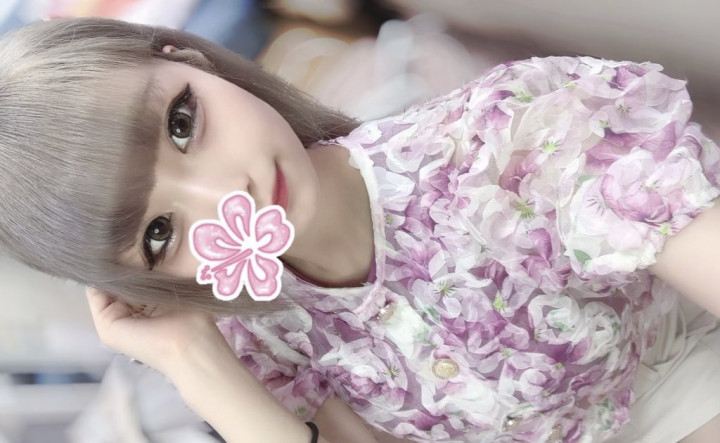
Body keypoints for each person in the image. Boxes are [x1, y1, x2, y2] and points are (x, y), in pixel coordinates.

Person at [1, 16, 720, 443]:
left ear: (189, 61)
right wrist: (193, 360)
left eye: (182, 123)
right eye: (160, 232)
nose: (225, 193)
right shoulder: (265, 344)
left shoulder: (510, 137)